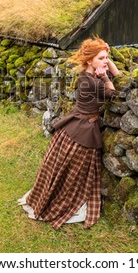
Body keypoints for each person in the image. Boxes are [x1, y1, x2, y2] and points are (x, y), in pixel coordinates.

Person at [19, 36, 119, 230]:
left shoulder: (86, 74)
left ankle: (55, 192)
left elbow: (117, 72)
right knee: (72, 168)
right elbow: (112, 92)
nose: (105, 62)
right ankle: (61, 199)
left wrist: (106, 55)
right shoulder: (91, 82)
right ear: (89, 61)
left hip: (77, 123)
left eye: (105, 58)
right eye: (101, 58)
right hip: (83, 128)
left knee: (63, 167)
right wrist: (105, 76)